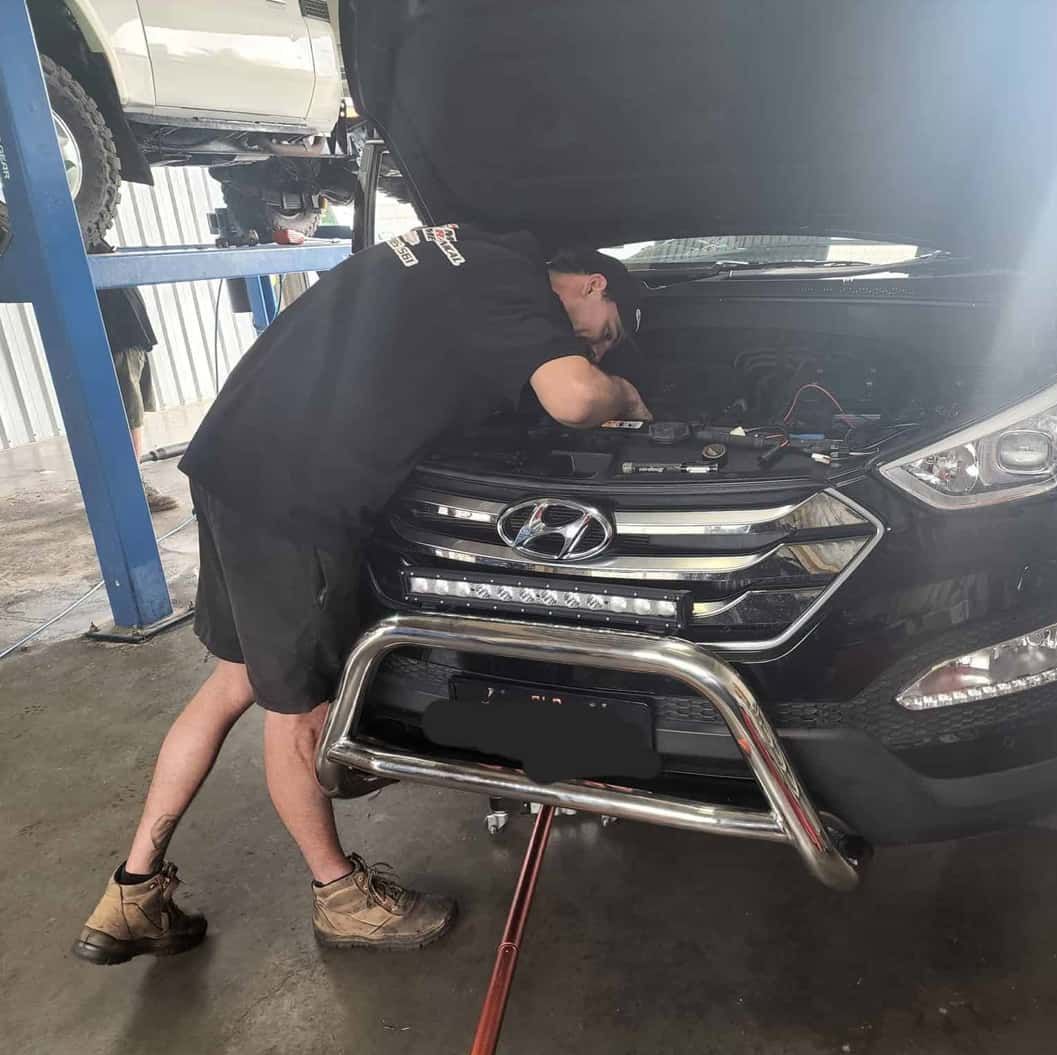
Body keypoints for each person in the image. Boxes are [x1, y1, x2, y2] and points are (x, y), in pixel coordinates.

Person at [71, 227, 651, 965]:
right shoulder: (515, 282)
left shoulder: (456, 251)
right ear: (596, 285)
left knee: (235, 680)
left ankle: (133, 890)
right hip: (295, 499)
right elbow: (574, 399)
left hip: (231, 463)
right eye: (608, 333)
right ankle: (340, 897)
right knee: (300, 710)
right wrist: (627, 394)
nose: (596, 348)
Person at [92, 241, 180, 513]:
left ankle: (125, 482)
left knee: (132, 412)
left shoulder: (90, 236)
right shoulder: (72, 238)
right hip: (117, 338)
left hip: (131, 336)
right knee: (128, 415)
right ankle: (132, 486)